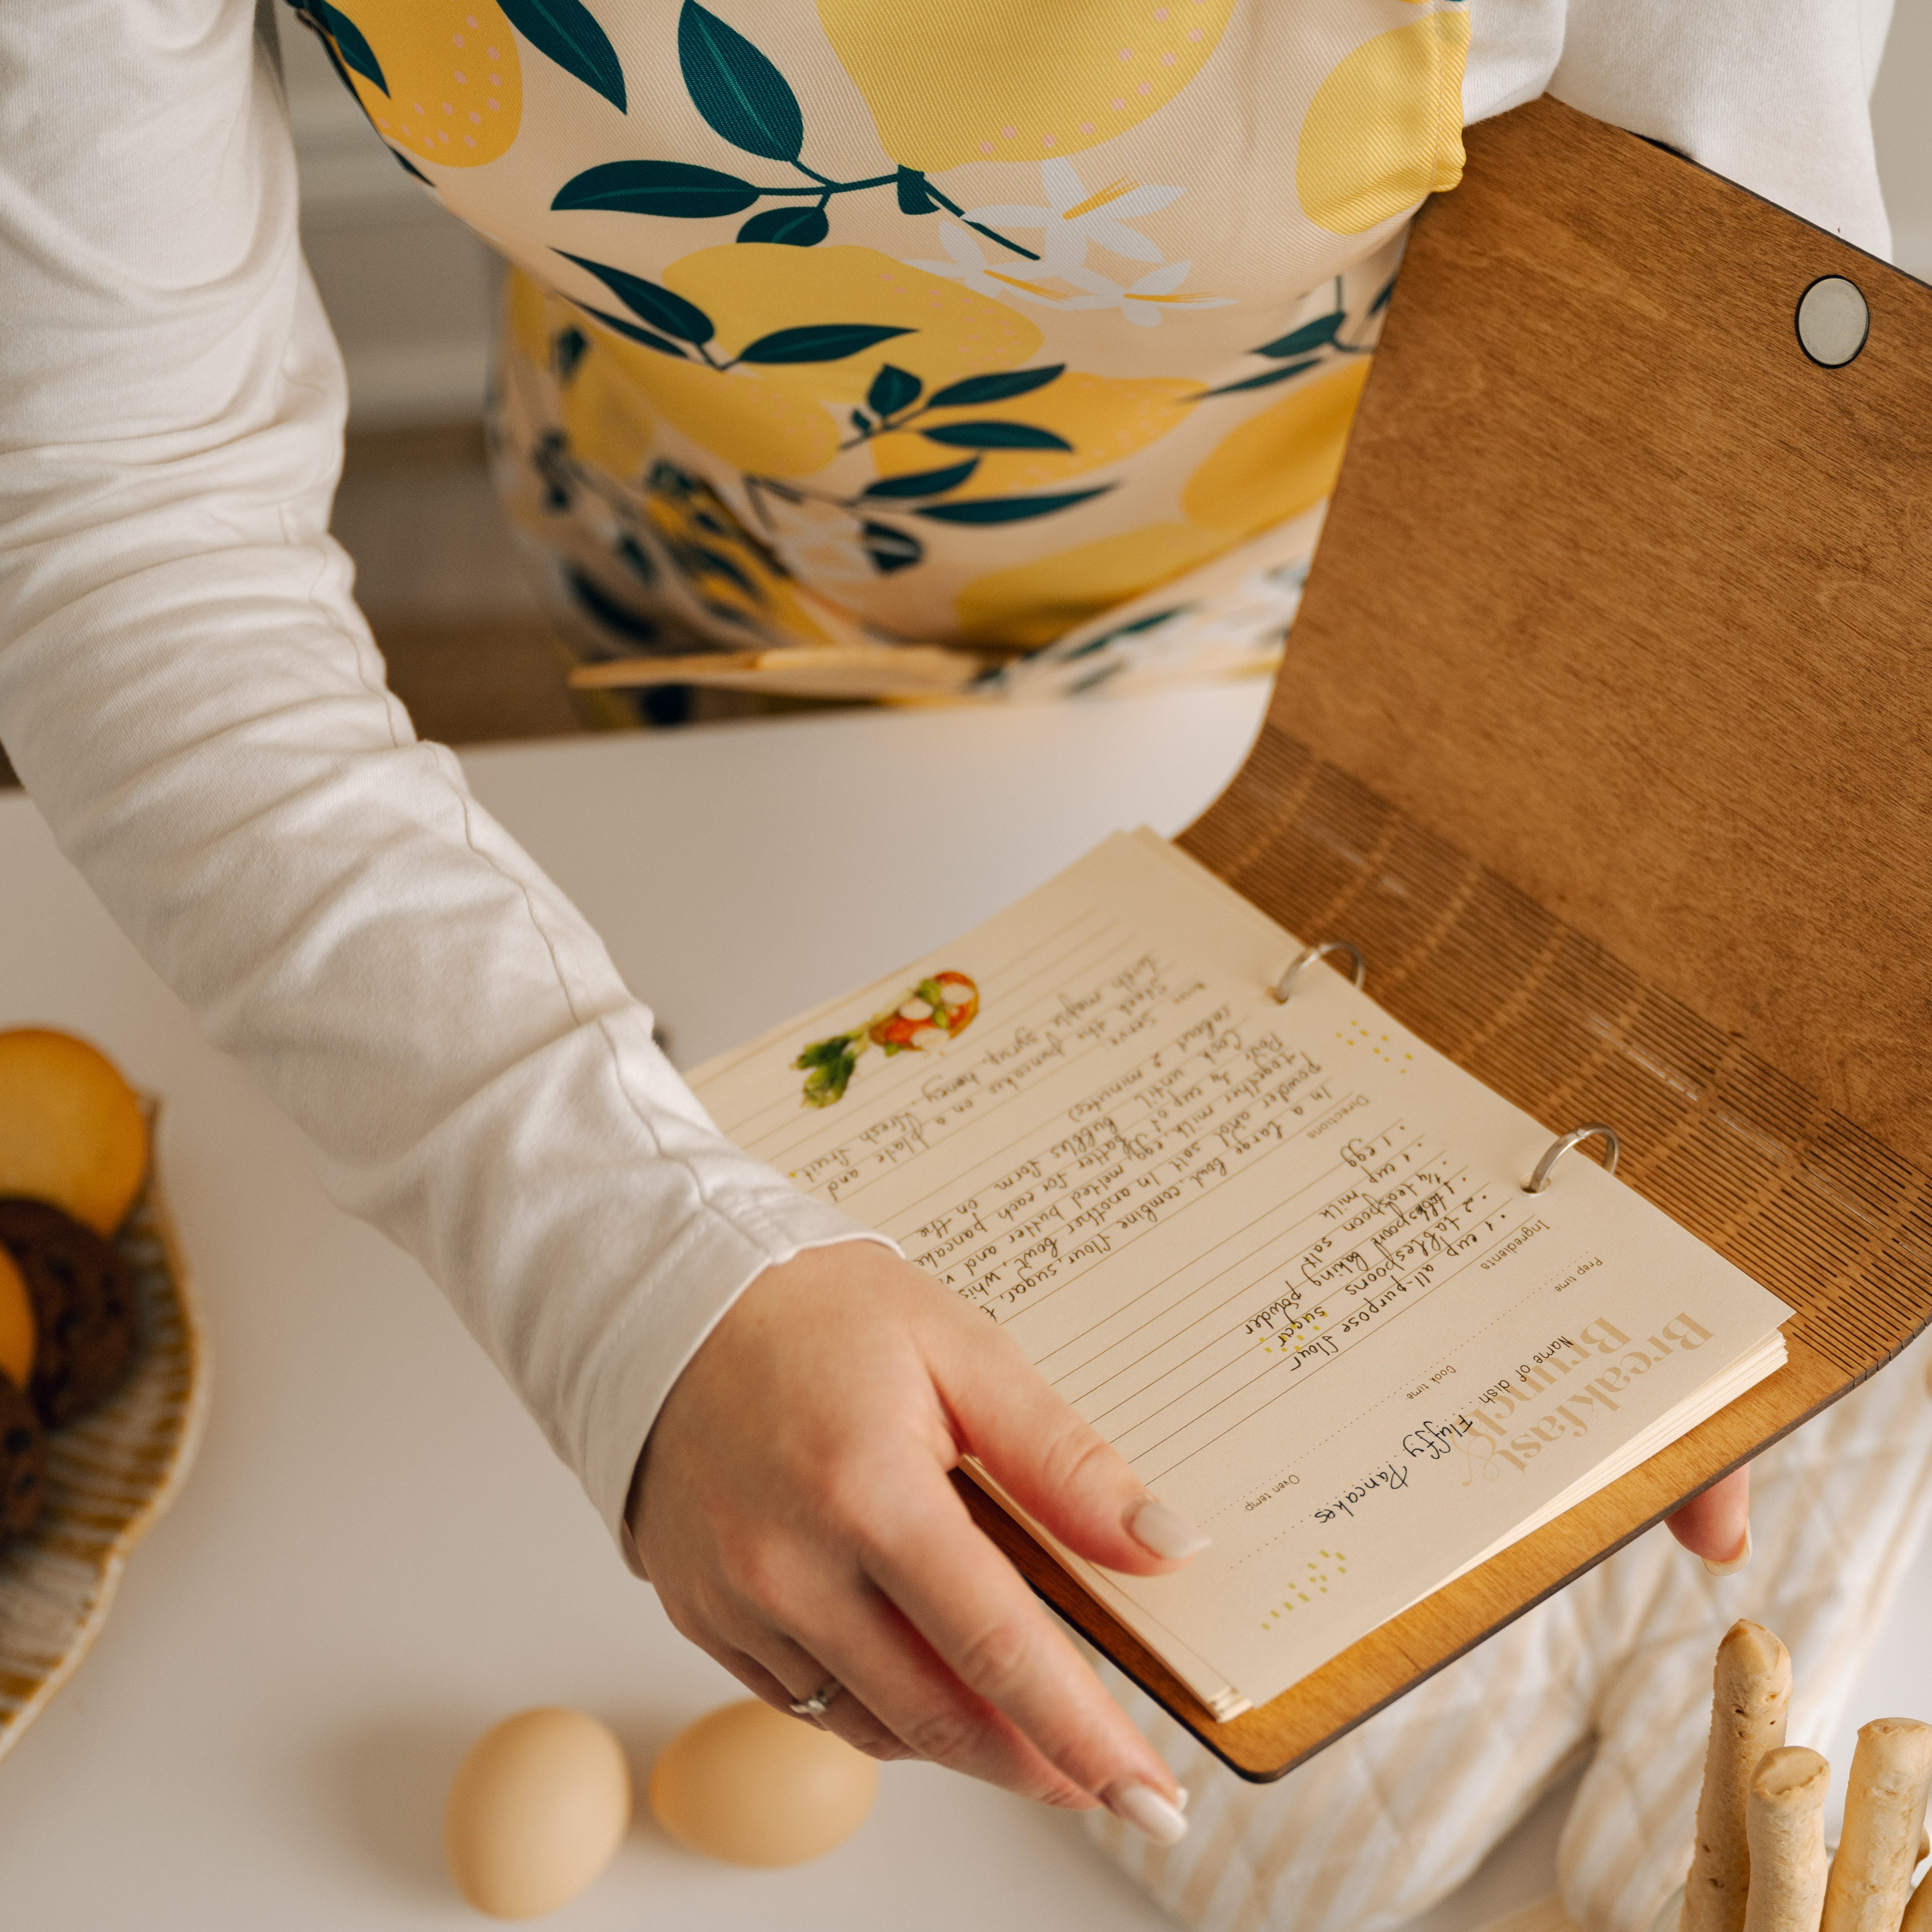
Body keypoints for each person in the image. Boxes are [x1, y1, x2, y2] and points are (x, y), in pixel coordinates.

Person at [0, 0, 1907, 1906]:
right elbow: (122, 512)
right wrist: (618, 1264)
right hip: (692, 538)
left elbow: (1723, 326)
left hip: (1348, 601)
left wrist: (1646, 948)